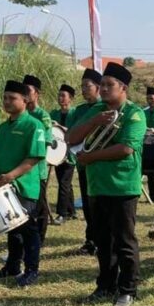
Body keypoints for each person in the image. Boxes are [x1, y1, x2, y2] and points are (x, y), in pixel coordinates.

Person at [69, 62, 147, 306]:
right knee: (103, 241)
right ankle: (105, 285)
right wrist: (94, 122)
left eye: (108, 85)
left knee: (124, 241)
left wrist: (90, 157)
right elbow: (70, 138)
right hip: (96, 186)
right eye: (101, 85)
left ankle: (128, 289)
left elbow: (125, 148)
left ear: (123, 87)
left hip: (122, 186)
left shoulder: (134, 113)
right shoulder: (97, 111)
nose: (103, 89)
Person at [0, 80, 47, 286]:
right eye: (5, 98)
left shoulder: (34, 125)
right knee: (11, 227)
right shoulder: (3, 127)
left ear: (25, 100)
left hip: (24, 186)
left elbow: (33, 158)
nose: (7, 102)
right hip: (2, 186)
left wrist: (11, 176)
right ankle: (13, 266)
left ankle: (32, 270)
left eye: (12, 98)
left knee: (28, 228)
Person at [66, 68, 104, 256]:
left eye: (87, 86)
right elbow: (70, 133)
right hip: (83, 164)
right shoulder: (79, 110)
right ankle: (91, 240)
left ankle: (102, 240)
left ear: (98, 87)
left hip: (101, 164)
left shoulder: (106, 107)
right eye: (82, 86)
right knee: (88, 205)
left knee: (100, 205)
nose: (83, 89)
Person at [23, 75, 53, 243]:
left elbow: (46, 142)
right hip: (22, 170)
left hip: (37, 169)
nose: (25, 94)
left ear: (37, 94)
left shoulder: (43, 116)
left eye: (28, 91)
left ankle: (39, 238)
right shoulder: (22, 114)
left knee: (40, 206)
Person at [50, 84, 77, 226]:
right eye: (59, 95)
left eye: (63, 96)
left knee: (64, 183)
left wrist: (59, 126)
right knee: (64, 182)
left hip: (70, 153)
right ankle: (72, 210)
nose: (60, 98)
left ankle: (62, 213)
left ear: (70, 99)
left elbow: (75, 131)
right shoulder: (53, 113)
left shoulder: (74, 113)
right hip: (56, 153)